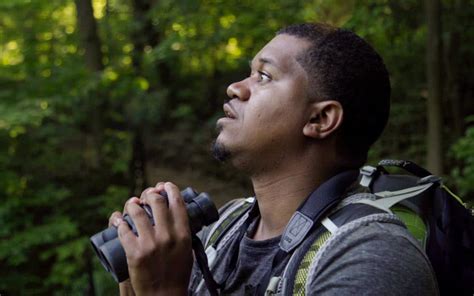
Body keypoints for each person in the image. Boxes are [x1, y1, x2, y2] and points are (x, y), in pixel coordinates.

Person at [108, 23, 439, 295]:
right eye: (248, 73)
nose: (235, 88)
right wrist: (136, 282)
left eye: (263, 76)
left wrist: (163, 292)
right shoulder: (225, 228)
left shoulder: (372, 258)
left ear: (320, 120)